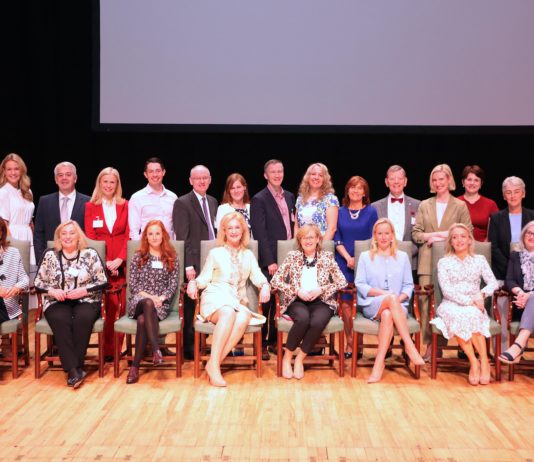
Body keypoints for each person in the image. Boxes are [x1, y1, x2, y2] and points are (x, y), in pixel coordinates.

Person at [186, 212, 270, 387]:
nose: (233, 231)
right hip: (215, 297)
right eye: (229, 228)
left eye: (237, 227)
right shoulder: (216, 253)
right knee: (228, 312)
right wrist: (193, 283)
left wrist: (266, 285)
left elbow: (258, 276)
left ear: (243, 231)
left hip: (236, 301)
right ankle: (215, 367)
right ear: (224, 231)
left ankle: (213, 363)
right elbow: (204, 278)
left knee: (244, 315)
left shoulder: (248, 255)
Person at [34, 221, 108, 389]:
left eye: (71, 233)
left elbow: (103, 281)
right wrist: (52, 291)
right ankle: (75, 369)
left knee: (82, 319)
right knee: (61, 320)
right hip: (57, 301)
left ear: (78, 236)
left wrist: (84, 291)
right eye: (64, 233)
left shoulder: (90, 254)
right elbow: (38, 282)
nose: (67, 236)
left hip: (86, 300)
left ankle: (73, 368)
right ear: (59, 237)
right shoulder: (49, 255)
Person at [271, 224, 347, 380]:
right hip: (297, 300)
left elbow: (342, 281)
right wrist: (297, 290)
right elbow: (276, 280)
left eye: (311, 237)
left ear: (318, 239)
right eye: (304, 237)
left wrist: (322, 289)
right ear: (300, 240)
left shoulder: (327, 257)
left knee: (317, 322)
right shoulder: (293, 256)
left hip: (322, 301)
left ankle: (299, 359)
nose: (308, 240)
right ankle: (287, 358)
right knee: (303, 319)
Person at [412, 164, 473, 360]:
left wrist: (439, 236)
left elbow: (467, 231)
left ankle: (439, 345)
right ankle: (429, 345)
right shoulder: (424, 205)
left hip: (452, 260)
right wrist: (433, 234)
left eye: (441, 179)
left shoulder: (460, 205)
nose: (438, 183)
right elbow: (417, 234)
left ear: (449, 180)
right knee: (425, 305)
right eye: (434, 179)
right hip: (427, 261)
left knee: (444, 303)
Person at [355, 218, 424, 383]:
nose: (384, 237)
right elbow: (360, 284)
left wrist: (396, 300)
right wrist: (385, 295)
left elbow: (408, 285)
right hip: (372, 304)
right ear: (375, 236)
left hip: (397, 306)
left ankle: (379, 364)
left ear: (393, 235)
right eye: (380, 233)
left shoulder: (402, 257)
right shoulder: (365, 256)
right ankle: (409, 345)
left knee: (387, 314)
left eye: (387, 233)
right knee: (388, 302)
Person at [430, 223, 498, 385]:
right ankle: (474, 362)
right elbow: (446, 291)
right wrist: (470, 301)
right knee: (460, 315)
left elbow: (493, 283)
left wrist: (481, 295)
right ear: (451, 242)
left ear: (469, 240)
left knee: (472, 314)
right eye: (455, 237)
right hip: (451, 304)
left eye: (463, 236)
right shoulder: (444, 262)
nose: (459, 240)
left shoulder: (479, 260)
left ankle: (484, 361)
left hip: (475, 304)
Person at [250, 159, 295, 360]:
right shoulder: (259, 199)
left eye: (280, 171)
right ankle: (263, 344)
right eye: (273, 172)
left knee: (283, 301)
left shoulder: (290, 196)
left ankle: (277, 342)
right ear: (265, 175)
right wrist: (269, 261)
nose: (277, 175)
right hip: (270, 259)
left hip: (288, 257)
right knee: (267, 303)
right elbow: (260, 233)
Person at [125, 220, 180, 384]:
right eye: (150, 234)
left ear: (163, 235)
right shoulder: (138, 256)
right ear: (146, 237)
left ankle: (134, 367)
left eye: (157, 233)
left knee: (143, 320)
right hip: (139, 300)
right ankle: (156, 349)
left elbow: (173, 285)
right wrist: (151, 297)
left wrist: (161, 298)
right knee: (147, 303)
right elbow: (133, 286)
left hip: (160, 305)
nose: (154, 237)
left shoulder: (171, 257)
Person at [173, 164, 218, 360]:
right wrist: (188, 265)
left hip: (212, 261)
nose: (201, 181)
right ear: (191, 181)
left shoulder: (213, 201)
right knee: (191, 306)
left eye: (205, 177)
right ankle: (189, 349)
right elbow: (183, 237)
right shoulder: (182, 203)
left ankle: (204, 344)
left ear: (209, 180)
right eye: (197, 178)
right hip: (194, 262)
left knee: (208, 303)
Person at [85, 167, 129, 361]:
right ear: (99, 183)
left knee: (121, 305)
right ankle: (107, 350)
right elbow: (90, 236)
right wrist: (104, 261)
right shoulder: (90, 206)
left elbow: (129, 234)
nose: (109, 185)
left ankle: (117, 350)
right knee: (107, 305)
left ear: (117, 184)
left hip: (121, 260)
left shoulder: (125, 205)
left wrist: (120, 258)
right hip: (101, 262)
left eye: (113, 182)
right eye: (106, 182)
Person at [488, 176, 534, 351]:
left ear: (523, 193)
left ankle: (519, 348)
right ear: (504, 196)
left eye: (516, 192)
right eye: (508, 192)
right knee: (501, 299)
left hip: (531, 275)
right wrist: (512, 269)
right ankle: (502, 350)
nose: (513, 195)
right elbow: (494, 247)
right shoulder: (497, 218)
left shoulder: (532, 216)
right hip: (504, 272)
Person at [334, 176, 378, 358]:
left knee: (361, 302)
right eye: (352, 187)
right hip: (343, 261)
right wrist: (347, 258)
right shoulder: (340, 211)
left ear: (365, 192)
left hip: (366, 262)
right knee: (344, 304)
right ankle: (351, 344)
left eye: (360, 188)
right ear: (347, 191)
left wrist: (358, 259)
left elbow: (373, 239)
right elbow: (337, 238)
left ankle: (359, 344)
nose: (356, 191)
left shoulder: (371, 211)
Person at [34, 161, 90, 263]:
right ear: (56, 179)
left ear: (75, 178)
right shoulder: (44, 201)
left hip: (80, 258)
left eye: (68, 174)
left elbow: (90, 234)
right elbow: (38, 234)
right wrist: (42, 259)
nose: (64, 178)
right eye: (60, 175)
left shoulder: (88, 202)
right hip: (51, 258)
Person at [371, 165, 420, 270]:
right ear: (386, 182)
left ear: (405, 181)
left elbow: (419, 233)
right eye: (392, 178)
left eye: (400, 178)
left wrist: (408, 252)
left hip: (410, 261)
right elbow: (373, 235)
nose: (396, 182)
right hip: (382, 261)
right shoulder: (375, 207)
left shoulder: (418, 205)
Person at [498, 221, 534, 365]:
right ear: (524, 235)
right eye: (529, 233)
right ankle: (518, 346)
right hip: (521, 305)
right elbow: (509, 280)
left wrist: (529, 295)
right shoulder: (515, 255)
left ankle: (518, 345)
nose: (532, 236)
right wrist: (521, 293)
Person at [128, 157, 177, 240]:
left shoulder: (173, 197)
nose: (155, 175)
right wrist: (140, 250)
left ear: (163, 172)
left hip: (169, 247)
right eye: (151, 171)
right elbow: (134, 230)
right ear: (145, 174)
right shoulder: (137, 198)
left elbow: (176, 227)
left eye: (158, 171)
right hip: (147, 248)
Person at [0, 153, 36, 265]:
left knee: (30, 274)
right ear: (4, 172)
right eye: (9, 169)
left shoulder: (27, 191)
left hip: (28, 236)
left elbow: (30, 219)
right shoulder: (3, 192)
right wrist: (13, 244)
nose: (13, 172)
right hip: (12, 237)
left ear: (21, 170)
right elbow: (3, 223)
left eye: (16, 169)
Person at [294, 163, 339, 240]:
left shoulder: (331, 199)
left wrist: (320, 249)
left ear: (324, 179)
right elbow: (296, 226)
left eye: (320, 175)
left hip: (322, 246)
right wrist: (297, 245)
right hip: (302, 245)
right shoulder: (300, 199)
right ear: (308, 177)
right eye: (313, 174)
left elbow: (332, 228)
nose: (316, 177)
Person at [0, 218, 30, 325]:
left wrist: (17, 287)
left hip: (6, 305)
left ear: (1, 233)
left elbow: (25, 279)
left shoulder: (13, 253)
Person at [458, 165, 498, 242]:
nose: (472, 183)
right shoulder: (455, 202)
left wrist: (484, 246)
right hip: (459, 246)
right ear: (463, 182)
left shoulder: (490, 204)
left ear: (481, 184)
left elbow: (496, 230)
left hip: (483, 247)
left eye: (476, 180)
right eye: (469, 179)